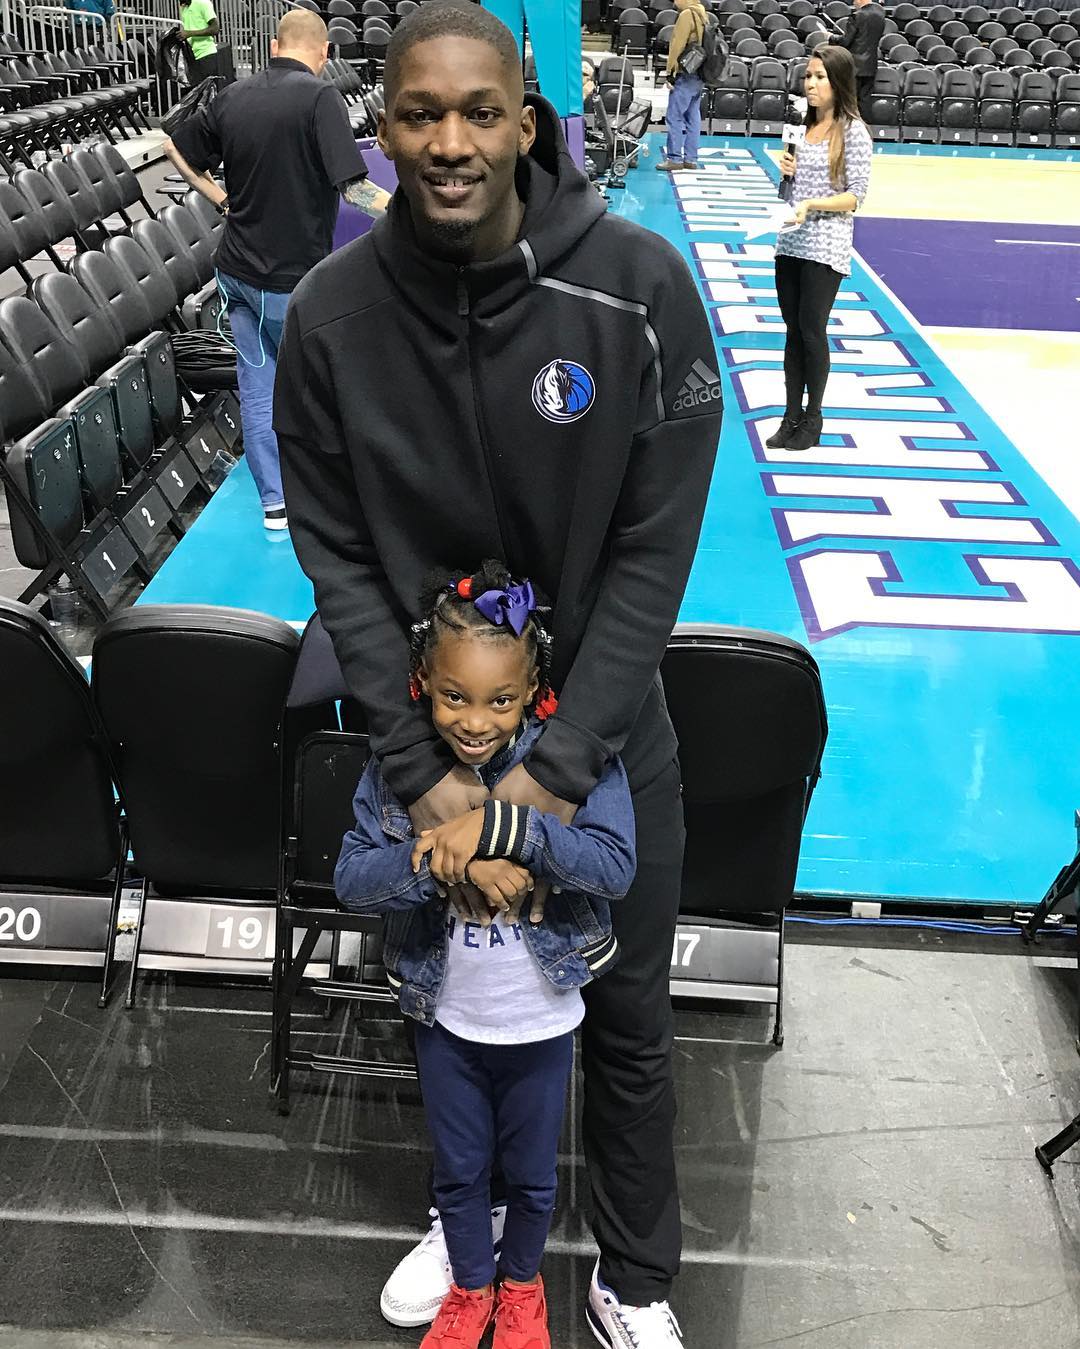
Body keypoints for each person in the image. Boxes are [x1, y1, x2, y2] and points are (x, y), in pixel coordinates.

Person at [273, 4, 722, 1343]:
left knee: (627, 1013)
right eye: (421, 113)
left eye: (481, 112)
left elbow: (655, 551)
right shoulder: (329, 317)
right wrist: (425, 778)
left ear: (529, 122)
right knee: (457, 1003)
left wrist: (553, 768)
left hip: (601, 734)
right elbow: (340, 559)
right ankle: (463, 1228)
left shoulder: (637, 288)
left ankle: (633, 1274)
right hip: (433, 741)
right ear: (383, 125)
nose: (451, 141)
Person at [335, 561, 637, 1349]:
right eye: (454, 696)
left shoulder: (572, 765)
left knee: (535, 1177)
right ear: (421, 682)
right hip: (446, 1020)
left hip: (538, 1024)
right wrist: (441, 858)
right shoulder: (396, 776)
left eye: (501, 699)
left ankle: (523, 1287)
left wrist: (517, 832)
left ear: (534, 689)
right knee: (460, 1173)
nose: (476, 720)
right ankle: (470, 1287)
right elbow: (351, 879)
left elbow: (614, 865)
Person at [163, 10, 390, 531]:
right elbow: (354, 188)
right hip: (291, 283)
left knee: (259, 387)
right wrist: (415, 215)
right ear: (325, 52)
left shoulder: (233, 95)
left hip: (236, 274)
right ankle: (334, 495)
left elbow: (176, 146)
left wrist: (222, 199)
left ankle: (275, 504)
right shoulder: (319, 97)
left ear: (271, 45)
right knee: (324, 387)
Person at [770, 45, 872, 453]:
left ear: (838, 82)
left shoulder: (853, 132)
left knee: (812, 331)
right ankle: (790, 415)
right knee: (793, 333)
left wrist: (812, 204)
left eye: (819, 78)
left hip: (825, 246)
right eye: (807, 77)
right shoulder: (801, 126)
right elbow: (788, 194)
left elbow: (856, 196)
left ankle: (813, 417)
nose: (810, 85)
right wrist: (787, 177)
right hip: (790, 240)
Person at [657, 0, 708, 172]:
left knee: (674, 116)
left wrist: (670, 73)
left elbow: (677, 45)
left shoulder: (687, 15)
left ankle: (674, 159)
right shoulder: (702, 13)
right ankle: (691, 159)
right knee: (693, 116)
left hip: (686, 72)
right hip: (699, 73)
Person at [834, 0, 886, 123]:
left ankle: (849, 130)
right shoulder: (880, 16)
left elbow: (846, 42)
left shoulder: (856, 16)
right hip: (871, 66)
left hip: (854, 66)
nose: (853, 2)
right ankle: (866, 131)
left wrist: (831, 38)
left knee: (849, 100)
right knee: (865, 101)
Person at [178, 0, 219, 83]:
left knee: (208, 91)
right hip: (191, 56)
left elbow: (215, 28)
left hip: (206, 54)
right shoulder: (184, 8)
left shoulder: (203, 3)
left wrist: (189, 34)